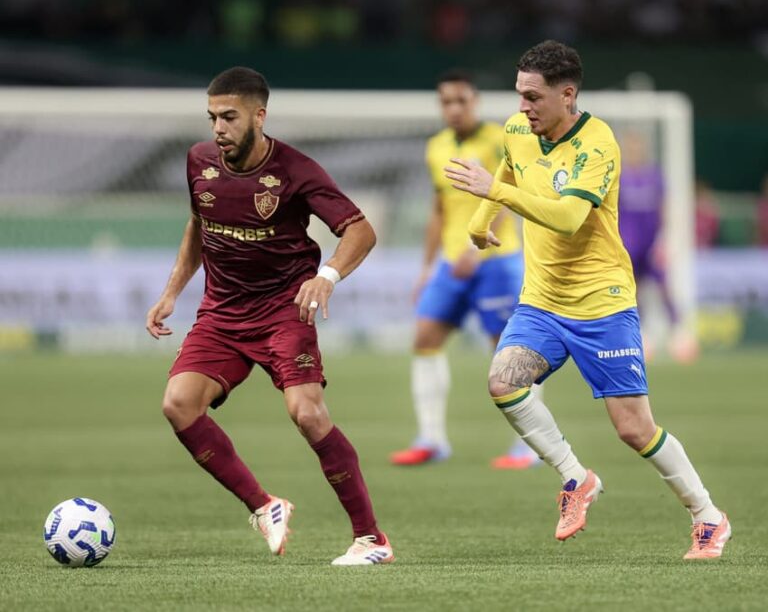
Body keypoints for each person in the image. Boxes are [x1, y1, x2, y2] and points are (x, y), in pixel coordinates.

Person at [444, 40, 730, 559]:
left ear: (567, 94)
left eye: (533, 97)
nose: (522, 107)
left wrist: (493, 195)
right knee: (503, 383)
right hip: (542, 301)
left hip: (602, 302)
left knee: (633, 428)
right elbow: (510, 166)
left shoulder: (598, 144)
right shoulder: (517, 129)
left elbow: (569, 218)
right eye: (519, 95)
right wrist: (481, 223)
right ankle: (576, 478)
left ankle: (708, 515)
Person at [145, 67, 393, 566]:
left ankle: (371, 539)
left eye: (229, 117)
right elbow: (198, 225)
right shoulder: (198, 161)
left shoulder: (296, 170)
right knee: (178, 404)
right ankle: (264, 506)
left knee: (307, 413)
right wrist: (173, 291)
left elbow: (360, 231)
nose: (218, 128)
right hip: (222, 312)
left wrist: (327, 275)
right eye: (212, 117)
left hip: (284, 307)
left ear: (259, 116)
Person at [389, 70, 540, 470]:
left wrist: (481, 241)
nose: (454, 109)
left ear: (476, 102)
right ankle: (432, 440)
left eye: (461, 100)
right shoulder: (436, 147)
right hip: (451, 263)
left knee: (509, 354)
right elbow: (439, 209)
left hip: (495, 261)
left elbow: (512, 197)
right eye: (446, 102)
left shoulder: (499, 139)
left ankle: (529, 445)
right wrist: (425, 268)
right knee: (424, 338)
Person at [617, 130, 696, 362]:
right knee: (633, 290)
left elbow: (664, 208)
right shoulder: (619, 177)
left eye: (636, 147)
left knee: (664, 287)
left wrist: (666, 239)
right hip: (628, 245)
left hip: (652, 244)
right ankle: (641, 335)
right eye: (629, 148)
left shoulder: (654, 176)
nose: (633, 152)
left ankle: (679, 332)